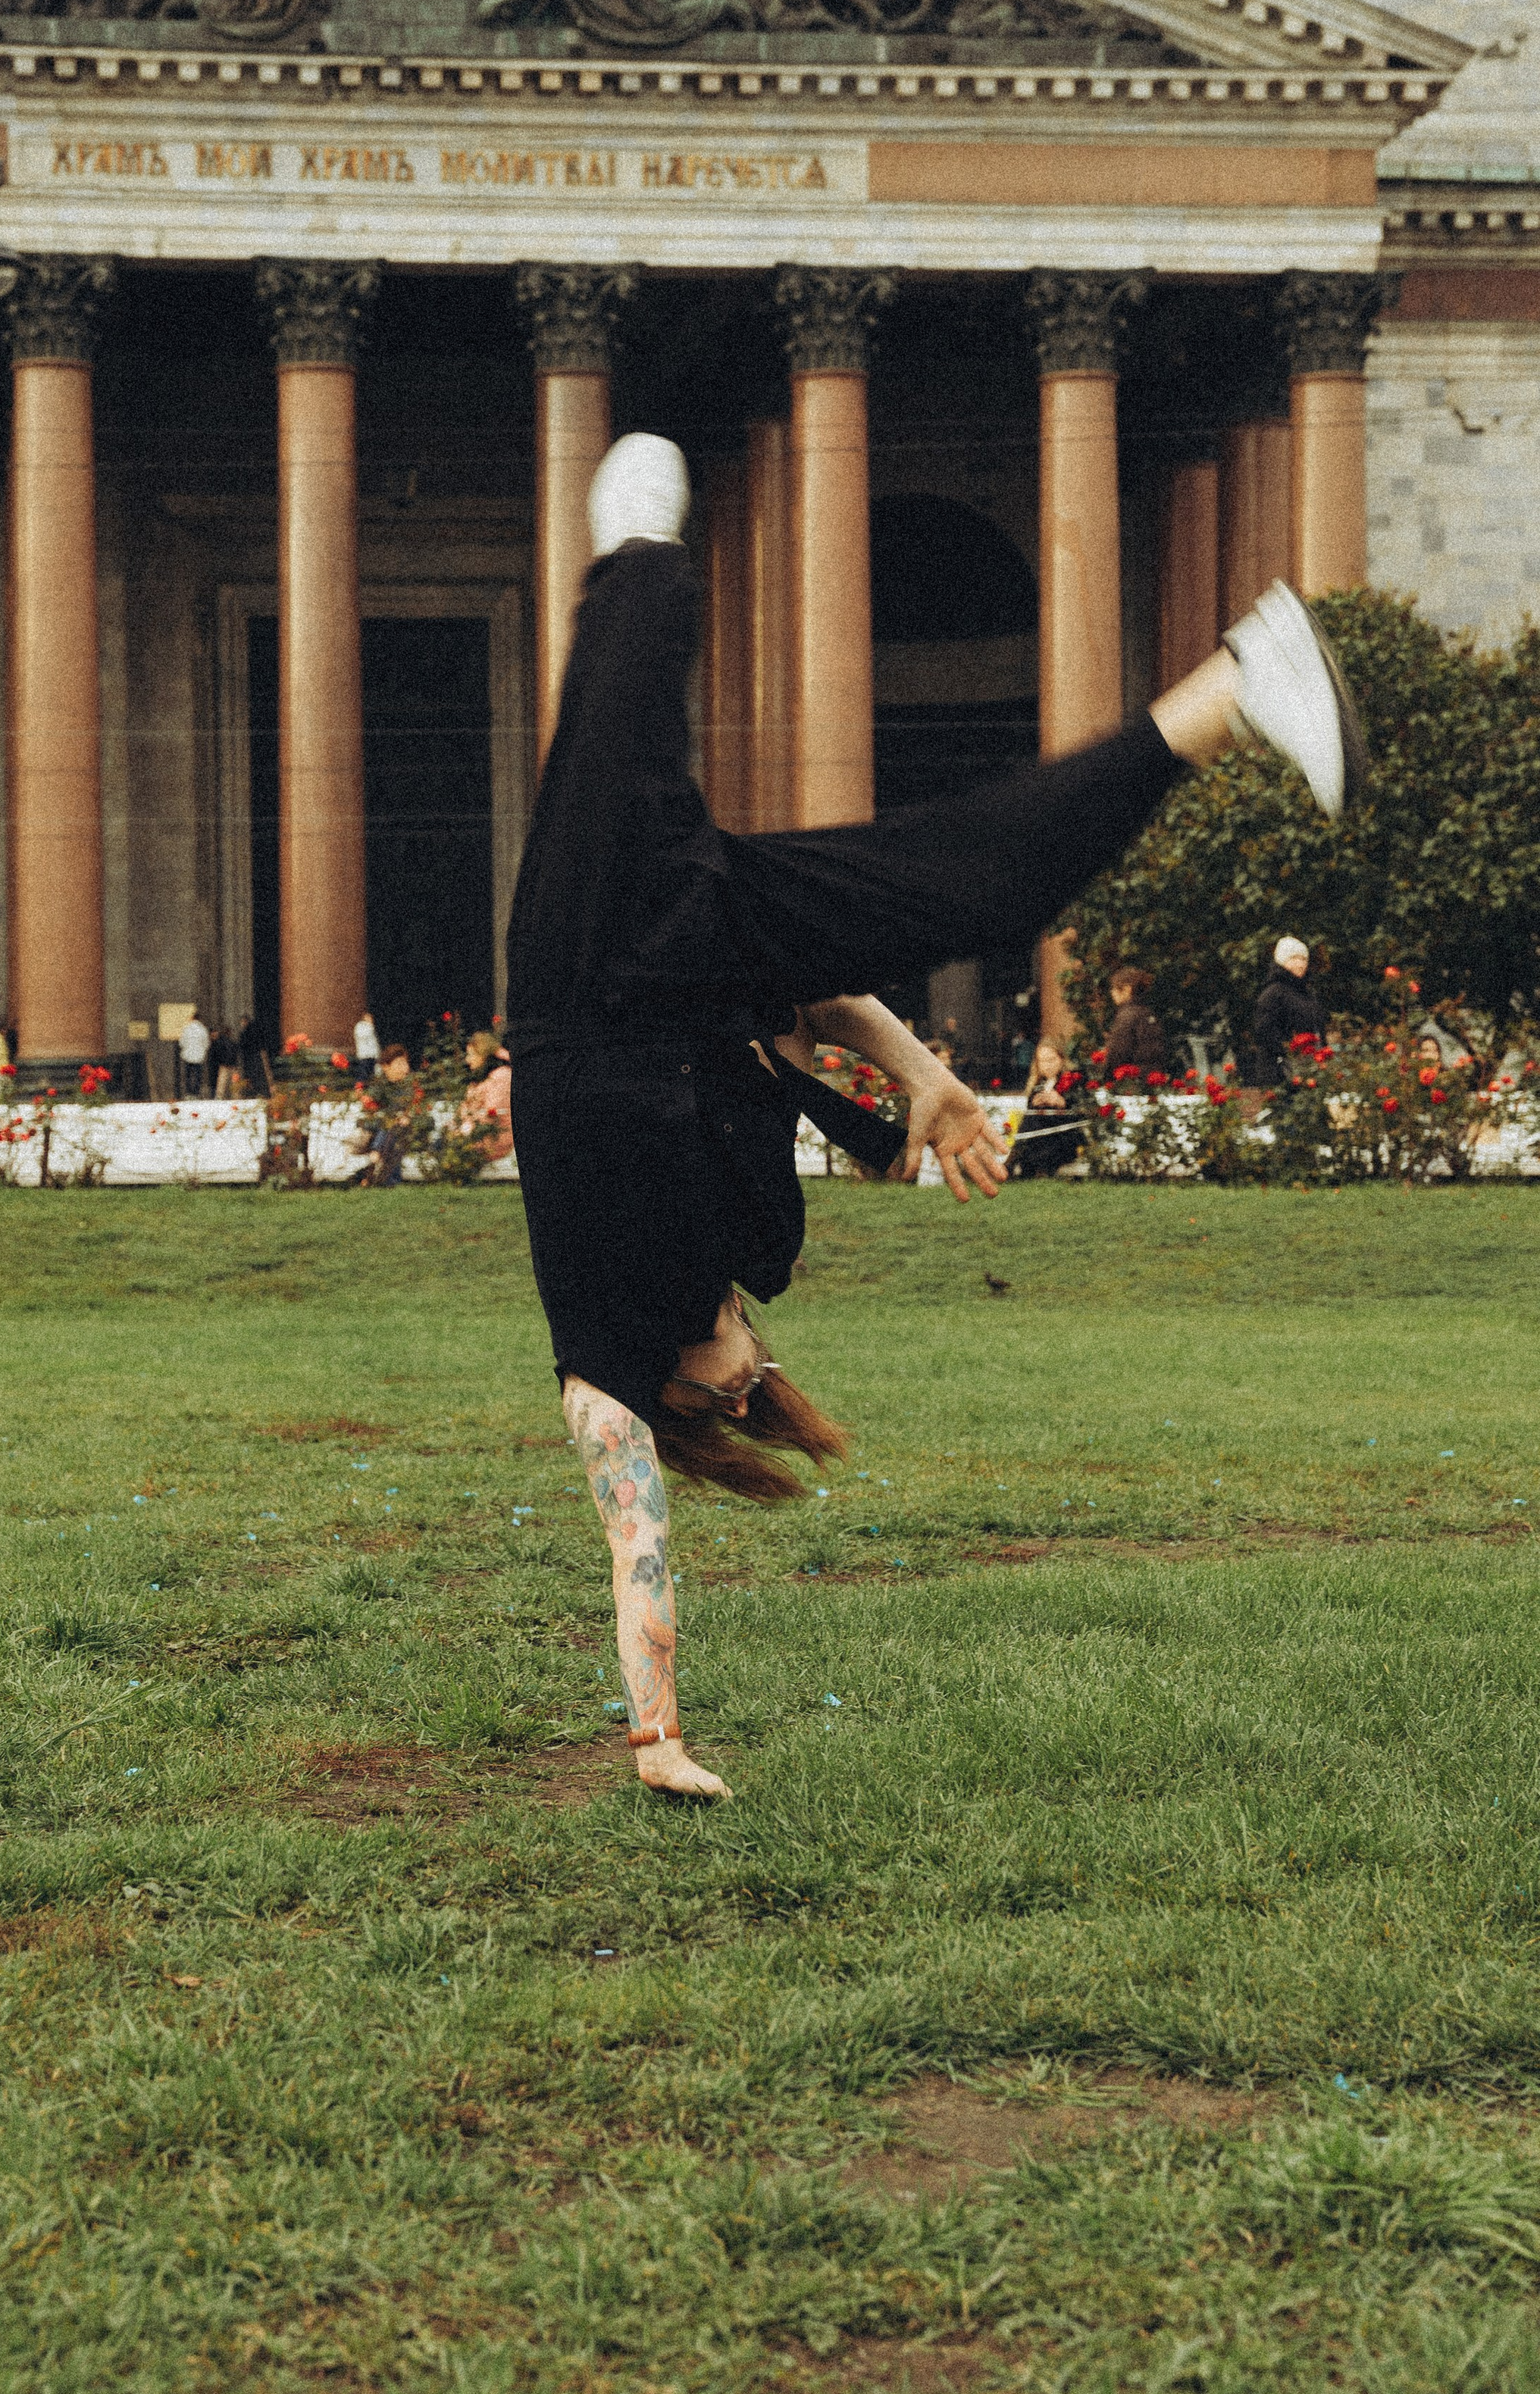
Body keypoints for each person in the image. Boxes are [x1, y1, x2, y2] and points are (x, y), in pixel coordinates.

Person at [506, 452, 1364, 1801]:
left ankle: (636, 555)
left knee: (623, 708)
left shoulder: (603, 1359)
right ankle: (1233, 689)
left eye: (722, 1399)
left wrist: (649, 1734)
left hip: (573, 977)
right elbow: (818, 1004)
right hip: (698, 959)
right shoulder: (751, 1235)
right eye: (748, 1394)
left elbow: (636, 1545)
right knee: (970, 891)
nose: (743, 1384)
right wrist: (929, 1083)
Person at [1246, 936, 1326, 1086]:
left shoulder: (1308, 994)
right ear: (1282, 961)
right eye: (1294, 958)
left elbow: (1318, 1029)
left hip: (1309, 1068)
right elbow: (1264, 1031)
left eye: (1304, 959)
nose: (1300, 964)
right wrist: (1289, 1051)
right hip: (1280, 1072)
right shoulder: (1273, 994)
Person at [1010, 1037, 1085, 1180]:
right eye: (1042, 1061)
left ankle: (1011, 1161)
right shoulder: (1038, 1084)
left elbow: (1081, 1112)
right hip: (1039, 1140)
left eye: (1051, 1060)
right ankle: (1015, 1161)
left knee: (1032, 1119)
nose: (1047, 1065)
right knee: (1031, 1117)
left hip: (1063, 1139)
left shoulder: (1073, 1079)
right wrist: (1037, 1104)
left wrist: (1061, 1103)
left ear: (1061, 1059)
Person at [1103, 966, 1168, 1076]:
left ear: (1128, 989)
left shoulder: (1127, 1016)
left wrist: (1106, 1074)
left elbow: (1118, 1052)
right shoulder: (1148, 1013)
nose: (1112, 993)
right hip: (1155, 1077)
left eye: (1114, 988)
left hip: (1132, 1080)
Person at [177, 1007, 211, 1099]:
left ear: (192, 1018)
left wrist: (186, 1049)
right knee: (198, 1075)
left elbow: (182, 1042)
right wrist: (203, 1050)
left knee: (188, 1074)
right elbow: (206, 1043)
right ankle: (196, 1092)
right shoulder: (203, 1029)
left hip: (187, 1055)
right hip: (199, 1055)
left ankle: (189, 1093)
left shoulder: (186, 1029)